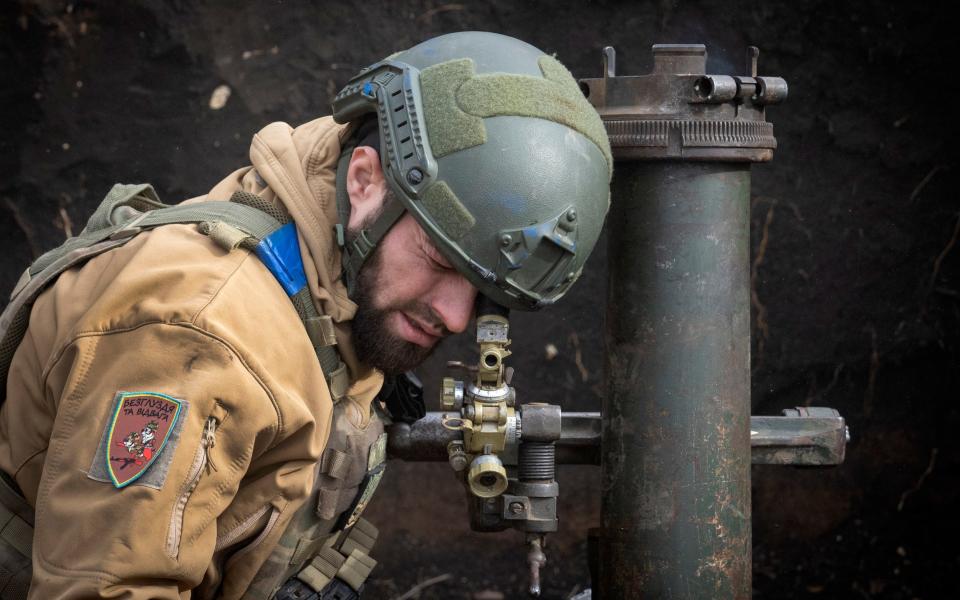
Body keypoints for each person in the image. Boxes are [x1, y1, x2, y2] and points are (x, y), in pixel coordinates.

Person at [0, 31, 611, 599]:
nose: (456, 318)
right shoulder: (201, 334)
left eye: (483, 292)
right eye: (439, 260)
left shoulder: (331, 259)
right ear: (367, 180)